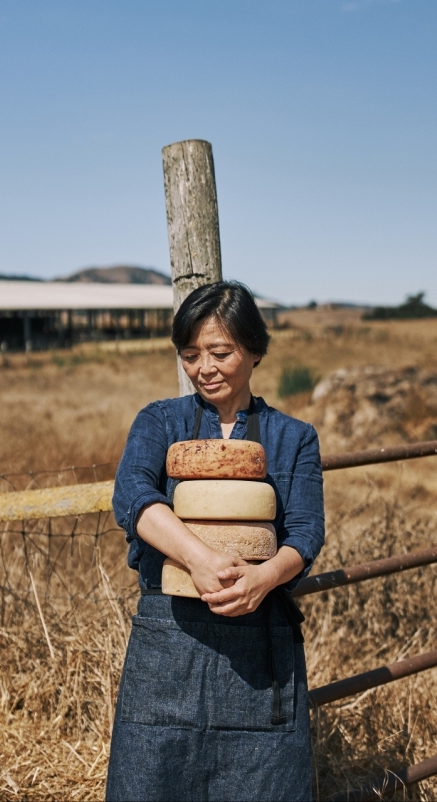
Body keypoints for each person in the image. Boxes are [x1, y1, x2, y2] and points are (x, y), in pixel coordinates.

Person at [106, 281, 325, 802]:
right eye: (190, 354)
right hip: (170, 638)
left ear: (253, 350)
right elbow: (131, 494)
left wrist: (265, 577)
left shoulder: (293, 438)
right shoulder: (161, 421)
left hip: (260, 640)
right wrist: (199, 560)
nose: (204, 368)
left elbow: (306, 532)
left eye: (221, 353)